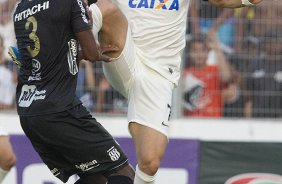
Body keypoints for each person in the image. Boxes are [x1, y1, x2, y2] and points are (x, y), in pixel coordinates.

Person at [86, 0, 263, 183]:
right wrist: (87, 42)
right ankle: (69, 53)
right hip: (123, 53)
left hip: (159, 74)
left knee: (150, 162)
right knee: (105, 8)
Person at [9, 0, 134, 183]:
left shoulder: (20, 8)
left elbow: (55, 56)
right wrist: (93, 44)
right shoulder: (71, 2)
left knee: (94, 177)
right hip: (60, 110)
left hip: (30, 112)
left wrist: (80, 48)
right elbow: (91, 53)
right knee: (123, 171)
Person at [182, 33, 232, 117]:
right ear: (190, 53)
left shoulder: (215, 70)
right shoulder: (185, 74)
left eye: (202, 50)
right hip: (190, 123)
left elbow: (226, 77)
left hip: (213, 123)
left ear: (208, 52)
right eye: (195, 50)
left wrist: (217, 49)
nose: (199, 54)